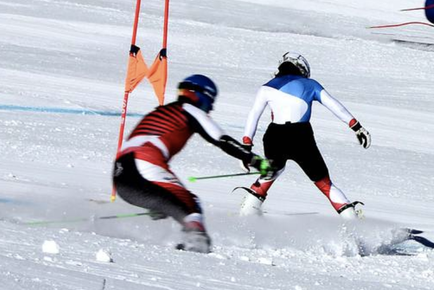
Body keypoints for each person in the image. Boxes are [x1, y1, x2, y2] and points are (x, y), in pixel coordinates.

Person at [113, 74, 269, 253]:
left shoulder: (159, 112)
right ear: (203, 96)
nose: (209, 109)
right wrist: (257, 161)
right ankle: (196, 244)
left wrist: (160, 202)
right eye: (210, 103)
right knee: (190, 205)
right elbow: (222, 140)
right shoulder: (189, 109)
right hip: (143, 164)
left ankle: (190, 241)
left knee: (178, 203)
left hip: (121, 175)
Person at [235, 52, 371, 218]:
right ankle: (352, 220)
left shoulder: (266, 87)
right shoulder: (310, 84)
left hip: (274, 136)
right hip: (301, 136)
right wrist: (356, 126)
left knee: (272, 172)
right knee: (324, 183)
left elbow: (254, 114)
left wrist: (246, 145)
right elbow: (334, 105)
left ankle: (246, 213)